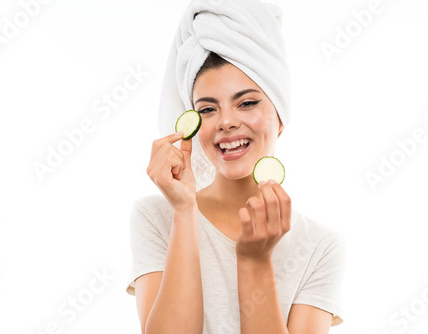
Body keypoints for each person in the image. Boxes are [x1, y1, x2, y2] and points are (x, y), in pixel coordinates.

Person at [126, 0, 346, 333]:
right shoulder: (156, 217)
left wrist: (255, 260)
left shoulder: (318, 245)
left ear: (280, 117)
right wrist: (185, 211)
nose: (226, 122)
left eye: (246, 103)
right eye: (207, 110)